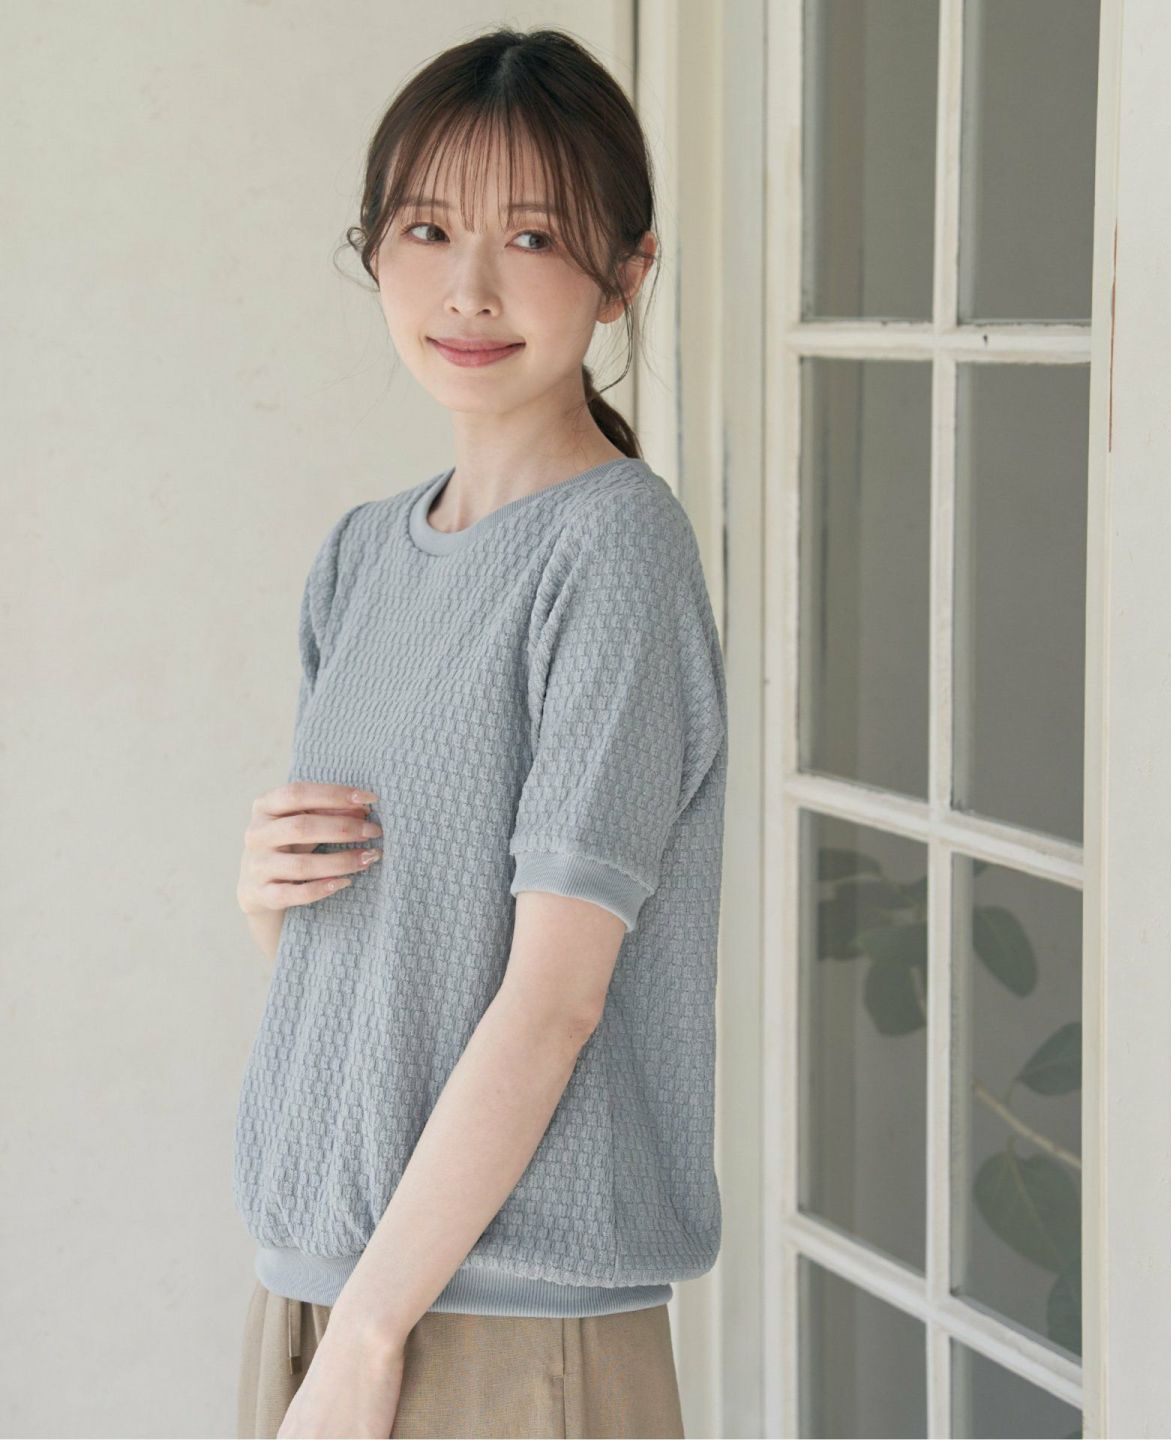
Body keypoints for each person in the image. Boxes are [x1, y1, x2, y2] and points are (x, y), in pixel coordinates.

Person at [232, 24, 728, 1440]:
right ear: (373, 248)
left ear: (626, 272)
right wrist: (270, 904)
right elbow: (397, 977)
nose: (468, 287)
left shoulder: (614, 554)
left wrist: (370, 1341)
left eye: (534, 236)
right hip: (329, 1276)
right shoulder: (361, 556)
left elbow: (557, 1000)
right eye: (427, 229)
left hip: (496, 1319)